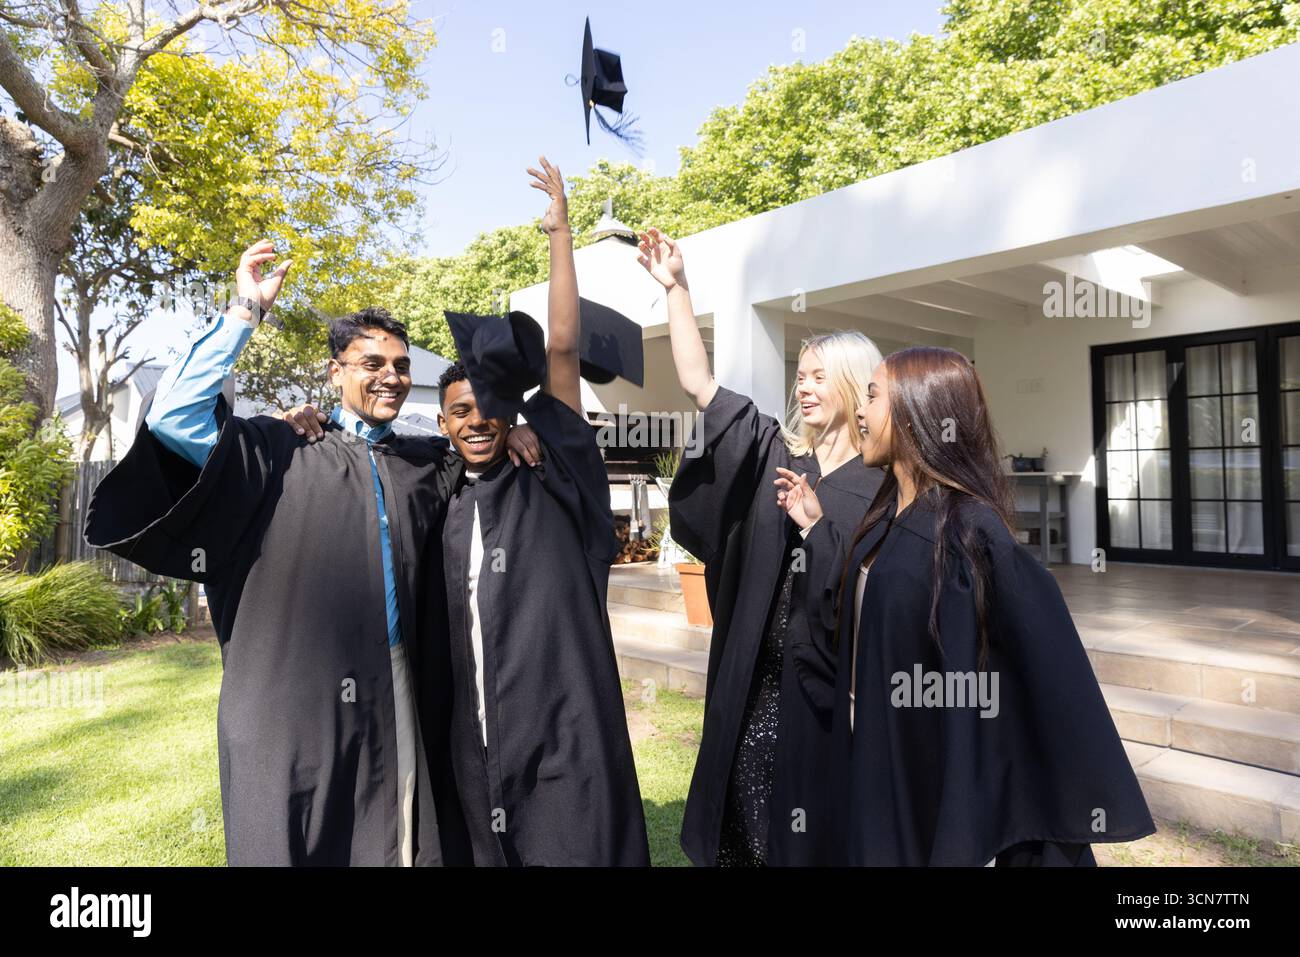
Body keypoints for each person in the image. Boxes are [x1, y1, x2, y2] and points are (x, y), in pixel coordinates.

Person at [84, 240, 532, 866]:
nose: (391, 376)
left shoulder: (422, 462)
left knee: (397, 827)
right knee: (293, 824)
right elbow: (174, 419)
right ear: (335, 372)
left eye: (401, 365)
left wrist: (518, 426)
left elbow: (483, 451)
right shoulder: (280, 448)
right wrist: (245, 310)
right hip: (289, 687)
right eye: (370, 362)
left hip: (394, 675)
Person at [281, 158, 649, 865]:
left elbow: (564, 351)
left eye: (489, 410)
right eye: (459, 411)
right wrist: (312, 419)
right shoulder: (440, 491)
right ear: (442, 422)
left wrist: (561, 233)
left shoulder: (553, 477)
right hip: (477, 750)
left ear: (511, 414)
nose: (476, 422)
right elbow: (366, 453)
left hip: (566, 733)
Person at [778, 346, 1156, 866]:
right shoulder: (882, 520)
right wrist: (818, 531)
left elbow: (1035, 672)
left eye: (872, 397)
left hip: (927, 781)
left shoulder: (969, 532)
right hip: (875, 762)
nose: (860, 413)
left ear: (917, 411)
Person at [635, 227, 885, 866]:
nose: (803, 388)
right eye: (799, 377)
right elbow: (701, 388)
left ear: (854, 385)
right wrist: (678, 290)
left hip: (831, 697)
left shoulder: (879, 485)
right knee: (744, 829)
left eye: (819, 378)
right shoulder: (776, 451)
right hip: (755, 684)